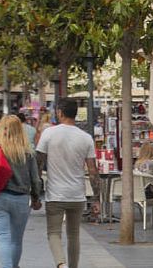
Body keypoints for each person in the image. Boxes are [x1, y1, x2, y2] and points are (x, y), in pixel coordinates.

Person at [36, 99, 99, 268]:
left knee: (54, 233)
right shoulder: (86, 138)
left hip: (55, 194)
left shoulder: (48, 133)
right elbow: (93, 171)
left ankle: (60, 264)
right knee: (74, 235)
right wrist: (96, 199)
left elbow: (38, 163)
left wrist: (35, 192)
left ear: (60, 112)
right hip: (77, 195)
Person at [0, 115, 42, 268]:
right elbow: (35, 179)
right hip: (21, 199)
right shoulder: (27, 151)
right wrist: (35, 198)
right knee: (16, 240)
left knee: (3, 237)